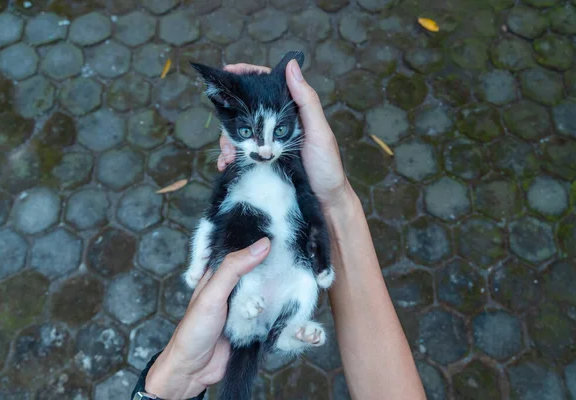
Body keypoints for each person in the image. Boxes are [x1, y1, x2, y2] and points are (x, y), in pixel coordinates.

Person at [131, 60, 426, 400]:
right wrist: (198, 263)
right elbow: (212, 215)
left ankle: (284, 334)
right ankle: (244, 326)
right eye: (247, 133)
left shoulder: (292, 162)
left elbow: (313, 206)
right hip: (253, 280)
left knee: (303, 282)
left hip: (285, 269)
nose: (265, 150)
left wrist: (324, 247)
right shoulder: (239, 167)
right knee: (241, 272)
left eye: (280, 133)